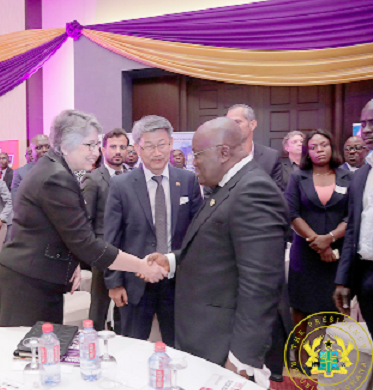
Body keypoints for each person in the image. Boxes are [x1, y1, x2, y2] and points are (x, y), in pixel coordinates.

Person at [0, 110, 169, 328]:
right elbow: (86, 243)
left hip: (33, 279)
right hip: (27, 286)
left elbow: (63, 231)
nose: (95, 153)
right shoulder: (56, 177)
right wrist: (142, 266)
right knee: (28, 356)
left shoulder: (54, 168)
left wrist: (73, 262)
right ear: (66, 145)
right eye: (89, 145)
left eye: (96, 145)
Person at [141, 117, 287, 387]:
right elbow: (215, 250)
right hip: (205, 336)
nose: (191, 161)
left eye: (197, 155)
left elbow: (261, 286)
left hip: (224, 344)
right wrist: (172, 261)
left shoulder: (253, 190)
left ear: (223, 152)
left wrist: (242, 358)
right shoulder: (225, 188)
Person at [104, 116, 202, 346]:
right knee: (132, 347)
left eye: (162, 144)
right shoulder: (121, 185)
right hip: (134, 283)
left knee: (179, 348)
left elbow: (198, 233)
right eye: (149, 146)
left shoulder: (187, 180)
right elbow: (111, 237)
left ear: (171, 144)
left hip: (178, 282)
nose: (157, 152)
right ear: (137, 147)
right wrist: (114, 282)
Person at [285, 130, 350, 324]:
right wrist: (318, 242)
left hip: (337, 255)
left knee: (335, 308)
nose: (319, 150)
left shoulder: (348, 177)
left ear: (332, 147)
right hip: (305, 254)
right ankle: (301, 353)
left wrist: (329, 239)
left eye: (324, 145)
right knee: (301, 307)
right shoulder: (298, 177)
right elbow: (292, 214)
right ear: (307, 152)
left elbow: (352, 215)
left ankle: (328, 355)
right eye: (313, 147)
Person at [81, 128, 129, 331]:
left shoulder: (132, 176)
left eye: (122, 147)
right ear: (103, 149)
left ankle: (123, 343)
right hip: (102, 251)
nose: (118, 151)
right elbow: (85, 220)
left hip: (128, 250)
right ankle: (93, 344)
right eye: (114, 147)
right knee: (99, 305)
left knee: (125, 304)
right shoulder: (93, 179)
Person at [334, 99, 373, 334]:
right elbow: (352, 231)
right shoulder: (361, 176)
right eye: (365, 123)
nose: (367, 129)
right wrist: (343, 280)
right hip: (366, 277)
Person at [226, 104, 284, 190]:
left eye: (237, 122)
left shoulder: (270, 157)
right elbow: (210, 195)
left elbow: (278, 195)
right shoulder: (219, 156)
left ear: (252, 124)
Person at [11, 134, 50, 202]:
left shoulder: (63, 170)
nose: (44, 150)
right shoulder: (20, 173)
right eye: (39, 147)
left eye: (48, 147)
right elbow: (17, 202)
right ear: (31, 152)